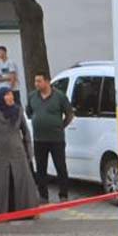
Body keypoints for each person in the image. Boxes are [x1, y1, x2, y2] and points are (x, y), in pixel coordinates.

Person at [0, 87, 37, 216]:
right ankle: (3, 211)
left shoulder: (18, 111)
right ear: (1, 97)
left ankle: (25, 211)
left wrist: (29, 152)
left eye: (11, 95)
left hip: (18, 153)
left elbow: (26, 132)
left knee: (21, 182)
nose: (11, 97)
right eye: (7, 95)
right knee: (1, 184)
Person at [26, 72, 73, 202]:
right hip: (39, 139)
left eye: (39, 81)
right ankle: (43, 195)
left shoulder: (59, 96)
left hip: (56, 138)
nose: (37, 84)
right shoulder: (32, 97)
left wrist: (61, 126)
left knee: (60, 166)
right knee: (41, 168)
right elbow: (29, 112)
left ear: (47, 81)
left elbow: (69, 114)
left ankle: (63, 194)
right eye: (36, 81)